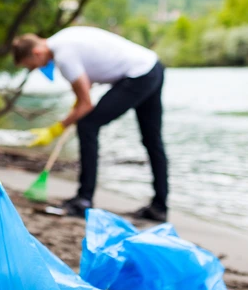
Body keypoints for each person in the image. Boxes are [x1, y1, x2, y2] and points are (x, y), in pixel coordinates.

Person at [12, 26, 168, 221]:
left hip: (138, 75)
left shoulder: (63, 56)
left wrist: (55, 129)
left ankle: (84, 199)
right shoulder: (62, 39)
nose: (36, 68)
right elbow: (87, 86)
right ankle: (159, 207)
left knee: (87, 125)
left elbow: (86, 104)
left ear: (37, 52)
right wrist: (77, 107)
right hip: (153, 66)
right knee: (152, 140)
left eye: (31, 65)